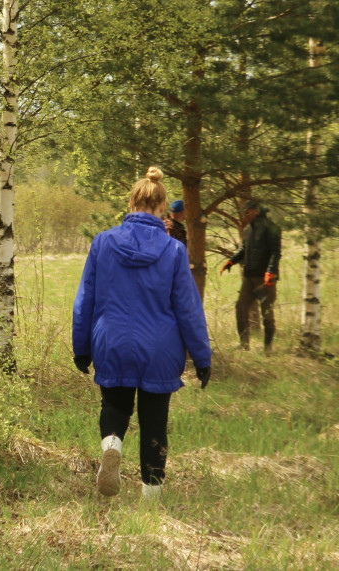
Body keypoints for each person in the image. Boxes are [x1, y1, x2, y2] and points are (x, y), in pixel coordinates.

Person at [72, 167, 211, 500]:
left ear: (131, 202)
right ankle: (151, 502)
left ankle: (112, 445)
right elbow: (188, 309)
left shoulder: (103, 242)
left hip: (112, 342)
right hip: (159, 348)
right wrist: (202, 357)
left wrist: (81, 347)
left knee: (115, 405)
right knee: (154, 421)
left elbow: (84, 299)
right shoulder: (174, 250)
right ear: (163, 208)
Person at [219, 200, 282, 353]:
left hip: (264, 279)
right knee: (240, 307)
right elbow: (243, 249)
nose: (245, 215)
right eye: (244, 212)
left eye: (247, 212)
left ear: (256, 211)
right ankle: (244, 344)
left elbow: (276, 252)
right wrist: (231, 261)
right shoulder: (248, 229)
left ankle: (268, 347)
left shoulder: (271, 228)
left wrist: (271, 271)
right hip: (249, 278)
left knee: (267, 312)